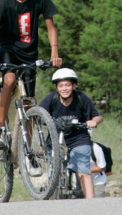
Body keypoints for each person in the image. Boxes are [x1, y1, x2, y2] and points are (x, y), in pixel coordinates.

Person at [0, 0, 62, 148]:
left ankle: (27, 149)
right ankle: (0, 129)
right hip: (7, 48)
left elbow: (51, 28)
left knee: (29, 103)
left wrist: (54, 53)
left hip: (29, 52)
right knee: (9, 80)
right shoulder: (4, 1)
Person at [39, 68, 103, 199]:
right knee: (53, 175)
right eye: (61, 85)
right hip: (56, 139)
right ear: (56, 87)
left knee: (84, 172)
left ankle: (91, 205)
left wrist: (93, 122)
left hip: (79, 138)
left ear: (73, 85)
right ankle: (48, 206)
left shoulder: (81, 98)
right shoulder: (51, 99)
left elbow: (98, 117)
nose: (64, 88)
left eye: (67, 85)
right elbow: (38, 114)